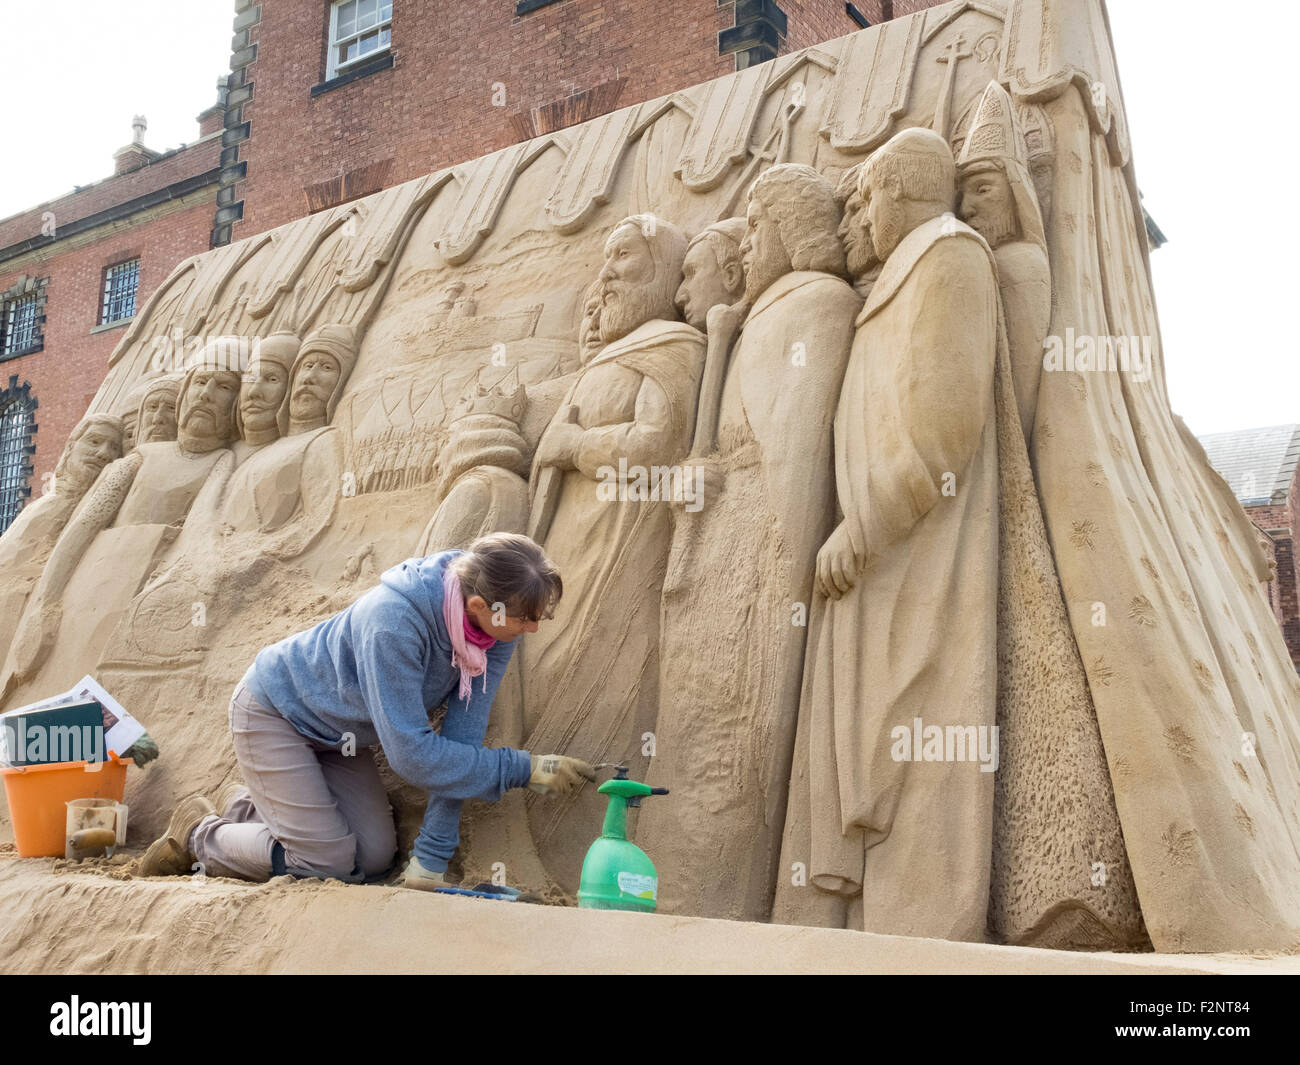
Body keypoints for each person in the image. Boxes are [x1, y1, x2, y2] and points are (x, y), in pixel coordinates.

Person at [138, 532, 595, 888]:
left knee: (374, 858)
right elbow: (413, 756)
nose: (533, 629)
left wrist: (430, 861)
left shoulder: (491, 633)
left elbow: (461, 741)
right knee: (326, 864)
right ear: (479, 604)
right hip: (274, 714)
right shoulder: (394, 622)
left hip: (340, 738)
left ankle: (246, 808)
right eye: (525, 619)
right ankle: (200, 833)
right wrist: (523, 769)